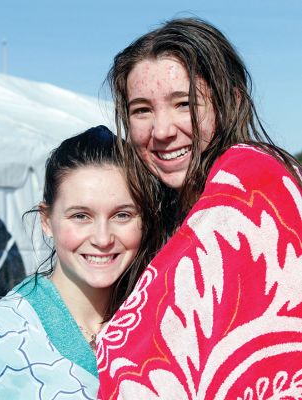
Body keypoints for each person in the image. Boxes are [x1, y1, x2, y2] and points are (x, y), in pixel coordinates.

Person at [96, 18, 302, 399]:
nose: (161, 130)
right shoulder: (157, 210)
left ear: (231, 101)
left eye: (184, 104)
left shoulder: (256, 179)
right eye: (141, 110)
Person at [0, 125, 166, 399]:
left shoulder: (163, 322)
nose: (102, 238)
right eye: (80, 216)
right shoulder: (5, 332)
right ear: (47, 220)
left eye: (122, 215)